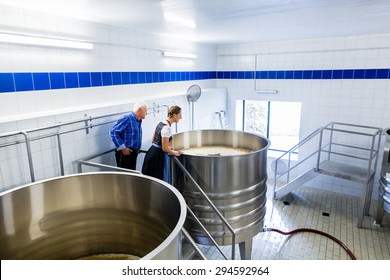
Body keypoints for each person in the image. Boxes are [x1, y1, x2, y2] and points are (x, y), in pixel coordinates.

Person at [142, 105, 183, 182]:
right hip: (158, 156)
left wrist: (165, 146)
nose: (181, 117)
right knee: (158, 179)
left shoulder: (161, 123)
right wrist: (175, 153)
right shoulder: (167, 128)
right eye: (180, 115)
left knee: (150, 179)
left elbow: (153, 140)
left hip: (151, 152)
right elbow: (164, 148)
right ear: (174, 115)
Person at [109, 101, 147, 170]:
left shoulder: (138, 121)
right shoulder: (127, 118)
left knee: (131, 177)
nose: (146, 113)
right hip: (125, 153)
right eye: (145, 110)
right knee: (124, 177)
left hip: (133, 153)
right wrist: (122, 148)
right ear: (139, 109)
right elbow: (113, 132)